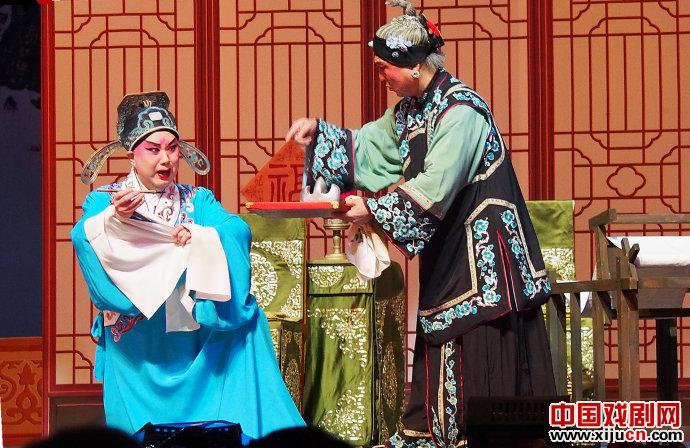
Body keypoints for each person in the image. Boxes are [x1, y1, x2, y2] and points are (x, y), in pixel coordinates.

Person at [286, 2, 555, 447]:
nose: (380, 76)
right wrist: (319, 133)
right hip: (450, 243)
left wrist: (373, 210)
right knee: (441, 325)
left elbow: (435, 185)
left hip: (486, 249)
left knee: (481, 334)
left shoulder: (462, 110)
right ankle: (438, 432)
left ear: (413, 65)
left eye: (384, 67)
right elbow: (368, 149)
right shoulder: (411, 110)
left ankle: (478, 435)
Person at [71, 91, 305, 438]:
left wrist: (198, 235)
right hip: (139, 340)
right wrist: (114, 220)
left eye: (172, 148)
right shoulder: (105, 201)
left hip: (191, 332)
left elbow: (234, 229)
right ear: (132, 154)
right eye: (153, 150)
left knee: (247, 321)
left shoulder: (198, 200)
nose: (165, 159)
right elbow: (84, 237)